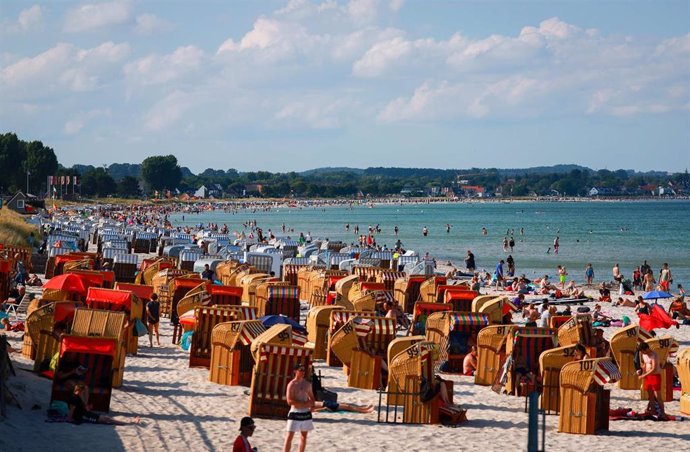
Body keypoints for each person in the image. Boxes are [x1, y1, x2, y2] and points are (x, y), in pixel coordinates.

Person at [68, 382, 140, 425]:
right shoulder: (75, 398)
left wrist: (88, 407)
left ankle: (129, 422)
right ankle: (129, 423)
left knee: (106, 418)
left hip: (85, 414)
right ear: (79, 391)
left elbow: (81, 408)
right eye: (83, 392)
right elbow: (72, 409)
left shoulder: (78, 397)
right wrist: (70, 419)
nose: (84, 393)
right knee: (107, 419)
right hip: (83, 416)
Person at [284, 363, 315, 452]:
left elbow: (312, 399)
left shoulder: (307, 384)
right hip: (295, 412)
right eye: (301, 370)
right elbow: (289, 401)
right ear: (295, 371)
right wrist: (305, 404)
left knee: (304, 436)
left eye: (304, 370)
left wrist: (311, 405)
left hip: (305, 413)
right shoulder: (291, 384)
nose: (303, 372)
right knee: (289, 437)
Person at [636, 342, 666, 419]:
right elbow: (645, 365)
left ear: (646, 349)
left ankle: (663, 413)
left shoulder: (654, 355)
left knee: (657, 396)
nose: (642, 353)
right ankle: (652, 411)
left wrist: (643, 375)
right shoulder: (644, 354)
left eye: (643, 351)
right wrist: (641, 370)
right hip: (648, 377)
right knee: (650, 396)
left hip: (655, 376)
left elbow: (654, 368)